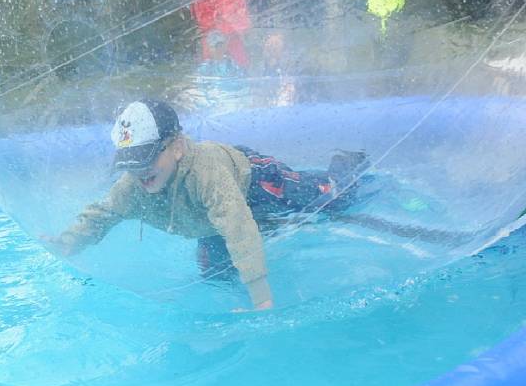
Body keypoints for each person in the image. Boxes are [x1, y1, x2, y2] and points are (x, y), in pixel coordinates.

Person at [44, 100, 367, 311]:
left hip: (254, 181)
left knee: (331, 198)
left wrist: (262, 299)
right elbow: (101, 215)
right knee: (215, 276)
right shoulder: (135, 187)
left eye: (146, 159)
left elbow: (238, 228)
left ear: (178, 147)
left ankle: (349, 165)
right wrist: (65, 244)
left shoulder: (207, 175)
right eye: (131, 163)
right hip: (207, 220)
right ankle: (270, 227)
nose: (140, 172)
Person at [191, 0, 252, 70]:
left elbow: (243, 23)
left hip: (234, 46)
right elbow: (204, 24)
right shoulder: (199, 1)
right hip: (213, 50)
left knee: (239, 73)